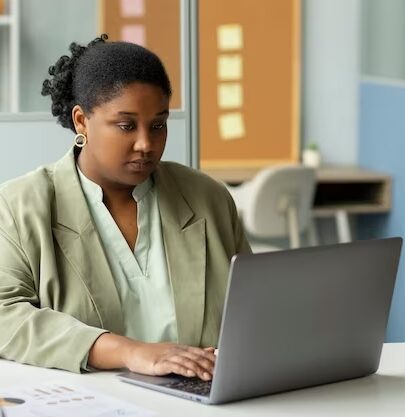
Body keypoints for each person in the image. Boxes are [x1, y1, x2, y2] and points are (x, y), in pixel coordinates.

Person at [0, 35, 250, 380]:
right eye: (126, 125)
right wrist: (130, 352)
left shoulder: (207, 198)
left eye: (158, 124)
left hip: (202, 397)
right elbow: (4, 316)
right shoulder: (19, 206)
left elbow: (255, 306)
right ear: (81, 121)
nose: (146, 144)